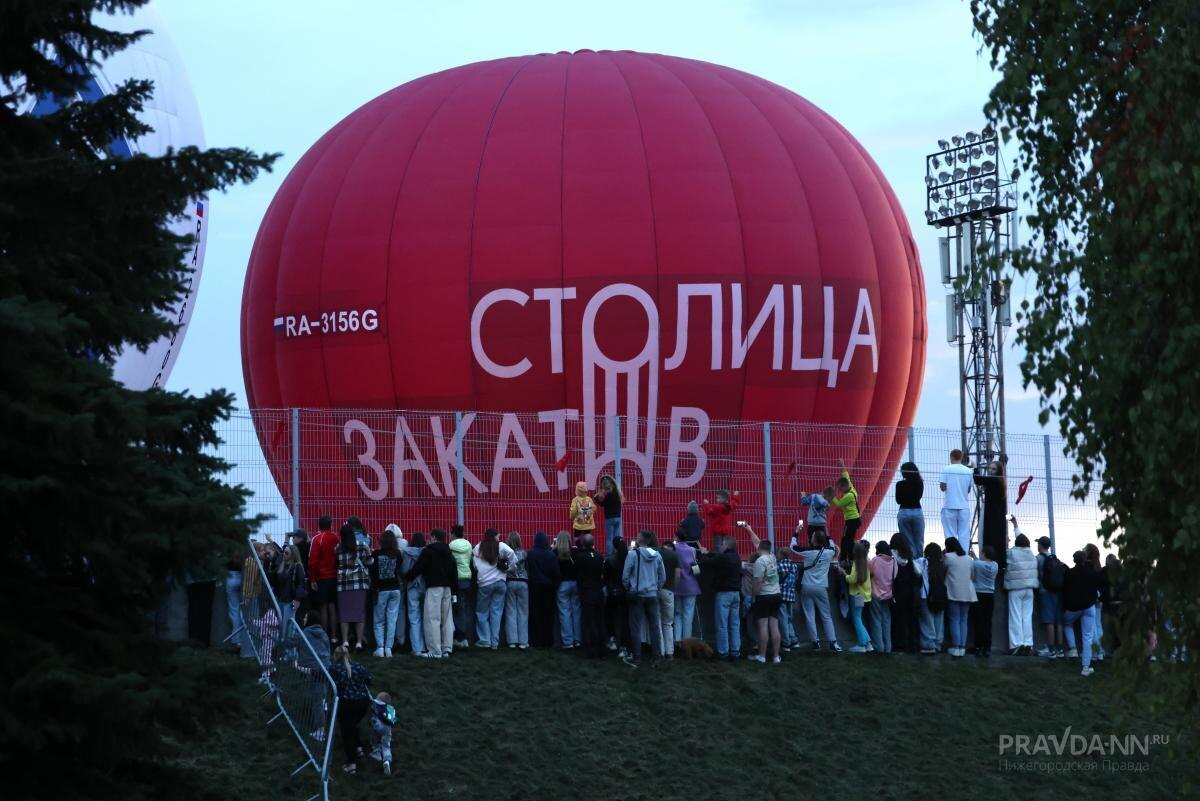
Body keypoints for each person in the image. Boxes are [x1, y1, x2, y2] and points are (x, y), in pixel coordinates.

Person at [403, 528, 456, 658]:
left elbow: (418, 568)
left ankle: (434, 650)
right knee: (447, 619)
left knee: (432, 619)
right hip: (447, 588)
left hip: (433, 587)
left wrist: (407, 576)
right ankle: (447, 648)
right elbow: (454, 572)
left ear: (433, 537)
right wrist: (454, 591)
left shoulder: (429, 551)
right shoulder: (449, 552)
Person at [621, 530, 666, 667]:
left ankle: (637, 657)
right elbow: (662, 577)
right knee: (654, 627)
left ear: (640, 539)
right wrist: (656, 588)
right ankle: (656, 658)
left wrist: (629, 588)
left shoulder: (633, 554)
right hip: (652, 595)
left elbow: (625, 576)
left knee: (636, 627)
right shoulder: (657, 555)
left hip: (638, 595)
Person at [793, 531, 841, 651]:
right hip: (821, 587)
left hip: (807, 585)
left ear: (813, 540)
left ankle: (815, 642)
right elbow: (832, 545)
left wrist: (796, 533)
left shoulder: (809, 553)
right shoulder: (830, 552)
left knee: (810, 615)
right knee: (826, 616)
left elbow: (793, 548)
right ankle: (833, 642)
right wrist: (828, 534)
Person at [329, 644, 373, 775]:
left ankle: (351, 765)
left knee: (347, 733)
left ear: (336, 656)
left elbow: (319, 674)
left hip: (347, 704)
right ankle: (359, 748)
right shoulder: (358, 666)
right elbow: (370, 679)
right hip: (363, 703)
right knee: (352, 725)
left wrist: (298, 666)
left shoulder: (334, 668)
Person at [699, 535, 742, 660]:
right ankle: (735, 652)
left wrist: (702, 553)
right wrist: (709, 553)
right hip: (736, 594)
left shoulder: (724, 558)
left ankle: (723, 652)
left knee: (722, 624)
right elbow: (717, 557)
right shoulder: (736, 557)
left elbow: (707, 562)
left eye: (722, 544)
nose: (720, 546)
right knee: (734, 624)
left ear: (727, 545)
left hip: (724, 594)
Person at [1062, 549, 1104, 676]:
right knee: (1088, 636)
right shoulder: (1091, 573)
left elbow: (1065, 590)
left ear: (1074, 560)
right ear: (1085, 560)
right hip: (1089, 607)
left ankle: (1073, 648)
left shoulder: (1069, 573)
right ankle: (1086, 666)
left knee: (1066, 623)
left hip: (1073, 608)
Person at [292, 610, 332, 740]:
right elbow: (328, 650)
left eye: (305, 617)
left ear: (310, 620)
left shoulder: (304, 634)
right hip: (326, 668)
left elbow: (290, 642)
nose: (303, 619)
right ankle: (324, 708)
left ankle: (321, 731)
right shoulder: (324, 634)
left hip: (315, 670)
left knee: (317, 700)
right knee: (321, 695)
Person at [744, 532, 783, 664]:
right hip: (776, 594)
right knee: (774, 626)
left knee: (762, 626)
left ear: (759, 549)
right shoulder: (772, 557)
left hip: (764, 596)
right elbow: (758, 542)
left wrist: (754, 596)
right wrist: (749, 529)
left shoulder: (759, 562)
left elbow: (758, 582)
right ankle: (776, 656)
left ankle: (762, 656)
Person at [472, 528, 513, 649]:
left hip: (484, 584)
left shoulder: (478, 547)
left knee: (482, 612)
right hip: (500, 582)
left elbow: (474, 565)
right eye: (498, 536)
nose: (499, 539)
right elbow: (513, 556)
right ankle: (495, 642)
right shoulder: (502, 546)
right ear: (495, 536)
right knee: (496, 612)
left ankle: (484, 640)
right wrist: (508, 568)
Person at [336, 523, 373, 651]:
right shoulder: (362, 546)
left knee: (344, 613)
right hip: (359, 582)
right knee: (359, 613)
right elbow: (369, 562)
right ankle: (358, 642)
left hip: (343, 584)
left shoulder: (338, 548)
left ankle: (345, 641)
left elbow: (336, 562)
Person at [1004, 529, 1039, 655]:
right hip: (1029, 590)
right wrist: (1015, 526)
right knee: (1027, 617)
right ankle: (1028, 644)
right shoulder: (1031, 554)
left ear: (1016, 543)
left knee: (1015, 616)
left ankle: (1016, 644)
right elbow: (1021, 539)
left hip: (1015, 589)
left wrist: (1006, 541)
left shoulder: (1012, 553)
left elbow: (1004, 553)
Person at [370, 526, 404, 658]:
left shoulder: (376, 554)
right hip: (395, 588)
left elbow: (372, 571)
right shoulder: (398, 554)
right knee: (392, 619)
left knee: (379, 620)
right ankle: (389, 648)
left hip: (381, 590)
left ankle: (380, 647)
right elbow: (399, 568)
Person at [574, 532, 607, 657]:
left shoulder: (580, 556)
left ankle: (590, 649)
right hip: (598, 591)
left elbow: (576, 570)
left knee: (589, 621)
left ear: (583, 543)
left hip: (587, 592)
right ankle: (602, 648)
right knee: (600, 620)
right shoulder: (599, 556)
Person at [525, 531, 560, 648]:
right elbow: (556, 573)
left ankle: (535, 641)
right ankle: (548, 641)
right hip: (549, 589)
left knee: (535, 615)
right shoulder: (551, 555)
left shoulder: (530, 554)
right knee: (548, 615)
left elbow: (527, 570)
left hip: (534, 588)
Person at [942, 537, 976, 657]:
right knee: (963, 620)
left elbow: (943, 572)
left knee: (954, 619)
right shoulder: (968, 558)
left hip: (953, 592)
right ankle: (962, 647)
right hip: (967, 592)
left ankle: (955, 646)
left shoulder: (948, 557)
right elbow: (973, 576)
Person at [973, 460, 1009, 571]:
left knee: (983, 536)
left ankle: (986, 559)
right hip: (996, 518)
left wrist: (975, 467)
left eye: (994, 469)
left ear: (998, 471)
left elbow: (978, 479)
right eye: (990, 469)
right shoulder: (1001, 482)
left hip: (990, 515)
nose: (991, 471)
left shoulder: (994, 480)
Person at [308, 515, 340, 641]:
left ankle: (324, 636)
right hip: (334, 576)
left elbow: (312, 562)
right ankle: (334, 637)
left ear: (319, 525)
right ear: (331, 525)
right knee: (332, 607)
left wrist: (312, 579)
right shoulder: (336, 538)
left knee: (323, 607)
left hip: (322, 577)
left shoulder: (317, 539)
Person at [1035, 534, 1066, 658]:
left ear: (1040, 545)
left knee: (1049, 621)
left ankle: (1051, 650)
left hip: (1045, 591)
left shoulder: (1038, 558)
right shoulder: (1055, 558)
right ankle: (1060, 650)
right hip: (1058, 591)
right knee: (1058, 622)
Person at [889, 534, 921, 654]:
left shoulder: (892, 556)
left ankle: (900, 645)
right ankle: (914, 645)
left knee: (899, 620)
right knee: (913, 620)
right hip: (911, 594)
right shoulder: (909, 557)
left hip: (898, 593)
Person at [840, 540, 873, 653]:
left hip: (856, 595)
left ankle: (862, 644)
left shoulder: (856, 563)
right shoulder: (867, 562)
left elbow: (852, 579)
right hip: (865, 596)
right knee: (859, 619)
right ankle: (868, 643)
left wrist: (844, 573)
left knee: (857, 620)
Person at [939, 449, 973, 551]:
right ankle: (964, 555)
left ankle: (952, 554)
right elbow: (968, 489)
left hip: (949, 505)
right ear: (961, 458)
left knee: (950, 534)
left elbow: (943, 487)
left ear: (951, 457)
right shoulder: (968, 471)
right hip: (963, 506)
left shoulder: (946, 469)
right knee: (964, 534)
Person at [672, 534, 702, 644]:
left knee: (677, 614)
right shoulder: (692, 550)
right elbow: (696, 569)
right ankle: (687, 641)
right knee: (688, 614)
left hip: (677, 585)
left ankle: (677, 640)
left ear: (676, 537)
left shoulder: (674, 549)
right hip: (691, 586)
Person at [276, 543, 308, 645]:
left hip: (290, 601)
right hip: (281, 600)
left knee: (287, 629)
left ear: (292, 555)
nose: (284, 554)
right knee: (281, 627)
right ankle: (282, 651)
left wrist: (298, 599)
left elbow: (301, 584)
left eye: (286, 553)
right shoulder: (282, 566)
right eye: (283, 552)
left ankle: (287, 652)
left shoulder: (298, 567)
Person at [868, 541, 897, 654]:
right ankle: (888, 647)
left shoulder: (875, 560)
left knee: (876, 620)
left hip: (875, 594)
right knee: (886, 620)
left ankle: (879, 646)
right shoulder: (894, 562)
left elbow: (869, 573)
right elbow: (895, 576)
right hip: (888, 595)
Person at [554, 531, 581, 649]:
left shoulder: (555, 552)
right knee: (577, 612)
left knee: (564, 613)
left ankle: (568, 641)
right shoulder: (575, 551)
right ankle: (578, 639)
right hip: (575, 583)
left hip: (562, 585)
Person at [401, 533, 427, 656]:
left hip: (412, 587)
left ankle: (417, 648)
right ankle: (428, 645)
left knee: (414, 617)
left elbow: (405, 570)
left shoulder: (407, 553)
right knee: (426, 617)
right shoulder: (427, 552)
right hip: (426, 587)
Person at [448, 525, 474, 649]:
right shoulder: (468, 545)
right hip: (467, 579)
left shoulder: (450, 546)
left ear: (453, 534)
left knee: (455, 609)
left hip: (456, 580)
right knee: (464, 609)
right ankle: (464, 638)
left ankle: (459, 637)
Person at [831, 458, 862, 562]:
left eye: (840, 489)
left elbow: (839, 504)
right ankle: (851, 559)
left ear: (844, 486)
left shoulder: (849, 496)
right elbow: (845, 474)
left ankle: (844, 559)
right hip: (854, 520)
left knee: (845, 540)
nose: (839, 491)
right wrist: (842, 464)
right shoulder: (850, 486)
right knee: (848, 540)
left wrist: (831, 496)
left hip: (852, 521)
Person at [603, 536, 630, 655]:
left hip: (612, 593)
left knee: (609, 617)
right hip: (625, 593)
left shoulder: (610, 560)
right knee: (625, 620)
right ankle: (624, 647)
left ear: (613, 546)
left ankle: (612, 640)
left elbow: (605, 578)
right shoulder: (629, 559)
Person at [971, 545, 999, 657]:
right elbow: (982, 565)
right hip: (990, 595)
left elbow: (977, 565)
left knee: (978, 621)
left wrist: (973, 556)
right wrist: (975, 557)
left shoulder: (976, 564)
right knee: (988, 622)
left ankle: (978, 646)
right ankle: (987, 647)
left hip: (979, 594)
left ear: (984, 554)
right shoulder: (995, 565)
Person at [503, 531, 529, 649]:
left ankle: (512, 641)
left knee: (510, 612)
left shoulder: (506, 554)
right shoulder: (524, 553)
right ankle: (523, 642)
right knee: (523, 612)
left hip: (510, 582)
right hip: (523, 583)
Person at [919, 542, 945, 654]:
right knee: (939, 621)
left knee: (927, 621)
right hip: (941, 597)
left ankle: (929, 645)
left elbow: (914, 567)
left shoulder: (923, 562)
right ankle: (938, 644)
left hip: (926, 596)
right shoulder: (942, 564)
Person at [895, 462, 925, 557]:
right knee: (919, 540)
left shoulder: (899, 484)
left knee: (908, 540)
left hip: (903, 512)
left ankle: (912, 561)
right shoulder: (919, 483)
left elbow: (898, 500)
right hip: (917, 511)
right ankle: (920, 561)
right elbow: (918, 497)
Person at [656, 540, 679, 658]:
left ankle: (661, 651)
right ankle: (670, 652)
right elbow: (677, 575)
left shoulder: (656, 552)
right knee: (668, 623)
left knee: (658, 623)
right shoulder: (675, 555)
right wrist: (673, 588)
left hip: (656, 590)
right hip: (669, 591)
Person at [775, 544, 801, 650]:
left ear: (780, 555)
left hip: (781, 595)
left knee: (782, 619)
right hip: (791, 595)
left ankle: (786, 642)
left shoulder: (778, 566)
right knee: (789, 618)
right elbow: (796, 578)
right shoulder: (794, 565)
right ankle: (794, 639)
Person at [369, 691, 398, 776]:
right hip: (387, 729)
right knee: (386, 745)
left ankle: (376, 753)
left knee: (375, 739)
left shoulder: (375, 706)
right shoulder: (390, 709)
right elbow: (394, 719)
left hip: (377, 726)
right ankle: (386, 761)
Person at [594, 475, 623, 553]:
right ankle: (617, 553)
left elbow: (603, 504)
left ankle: (609, 556)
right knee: (616, 538)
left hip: (610, 518)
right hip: (618, 518)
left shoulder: (609, 495)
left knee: (609, 539)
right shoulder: (617, 492)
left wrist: (596, 499)